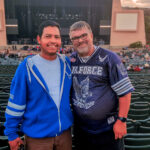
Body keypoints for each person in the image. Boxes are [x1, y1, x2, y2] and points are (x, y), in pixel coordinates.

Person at [4, 20, 73, 150]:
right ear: (38, 39)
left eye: (56, 37)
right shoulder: (26, 67)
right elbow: (16, 103)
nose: (53, 40)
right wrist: (11, 133)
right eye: (48, 36)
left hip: (64, 135)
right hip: (37, 138)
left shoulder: (66, 64)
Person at [69, 21, 134, 150]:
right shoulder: (72, 60)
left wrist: (122, 120)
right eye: (75, 38)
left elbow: (125, 92)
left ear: (91, 36)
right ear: (71, 41)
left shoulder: (109, 58)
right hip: (82, 130)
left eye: (84, 35)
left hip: (107, 129)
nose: (80, 40)